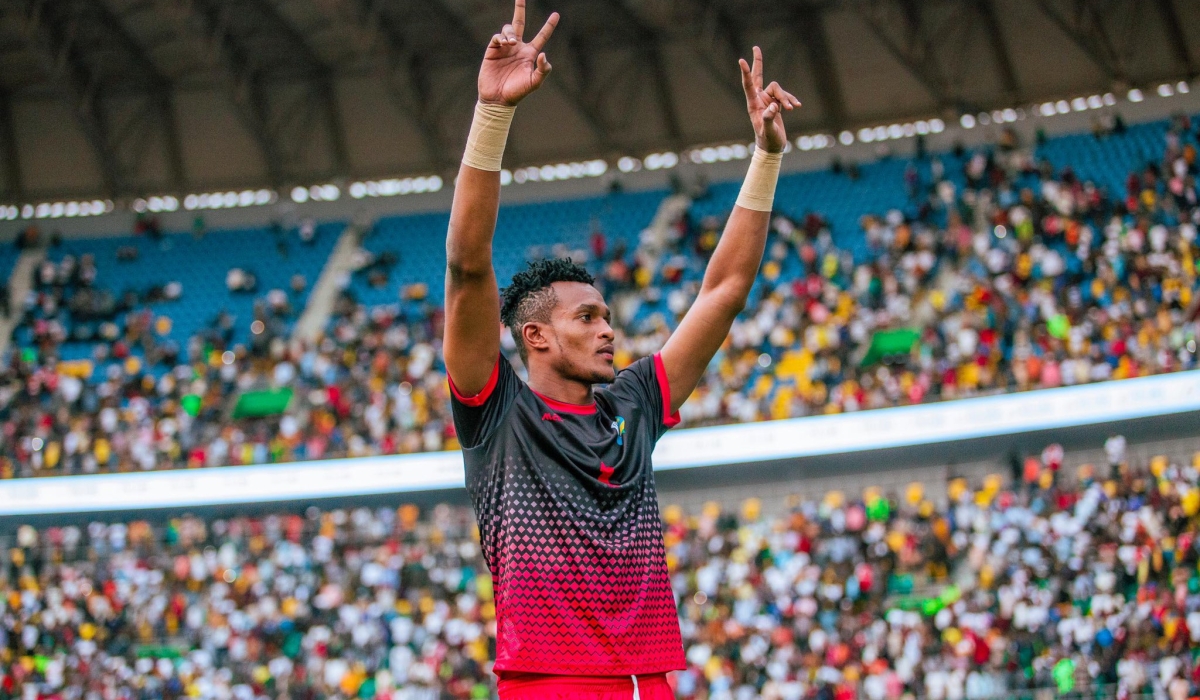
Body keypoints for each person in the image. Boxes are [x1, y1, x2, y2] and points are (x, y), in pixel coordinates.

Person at [440, 1, 800, 697]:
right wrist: (492, 116)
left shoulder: (633, 402)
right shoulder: (495, 411)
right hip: (549, 682)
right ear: (536, 336)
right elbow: (466, 267)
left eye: (607, 316)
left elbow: (722, 291)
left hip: (652, 681)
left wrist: (767, 157)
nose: (609, 330)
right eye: (587, 318)